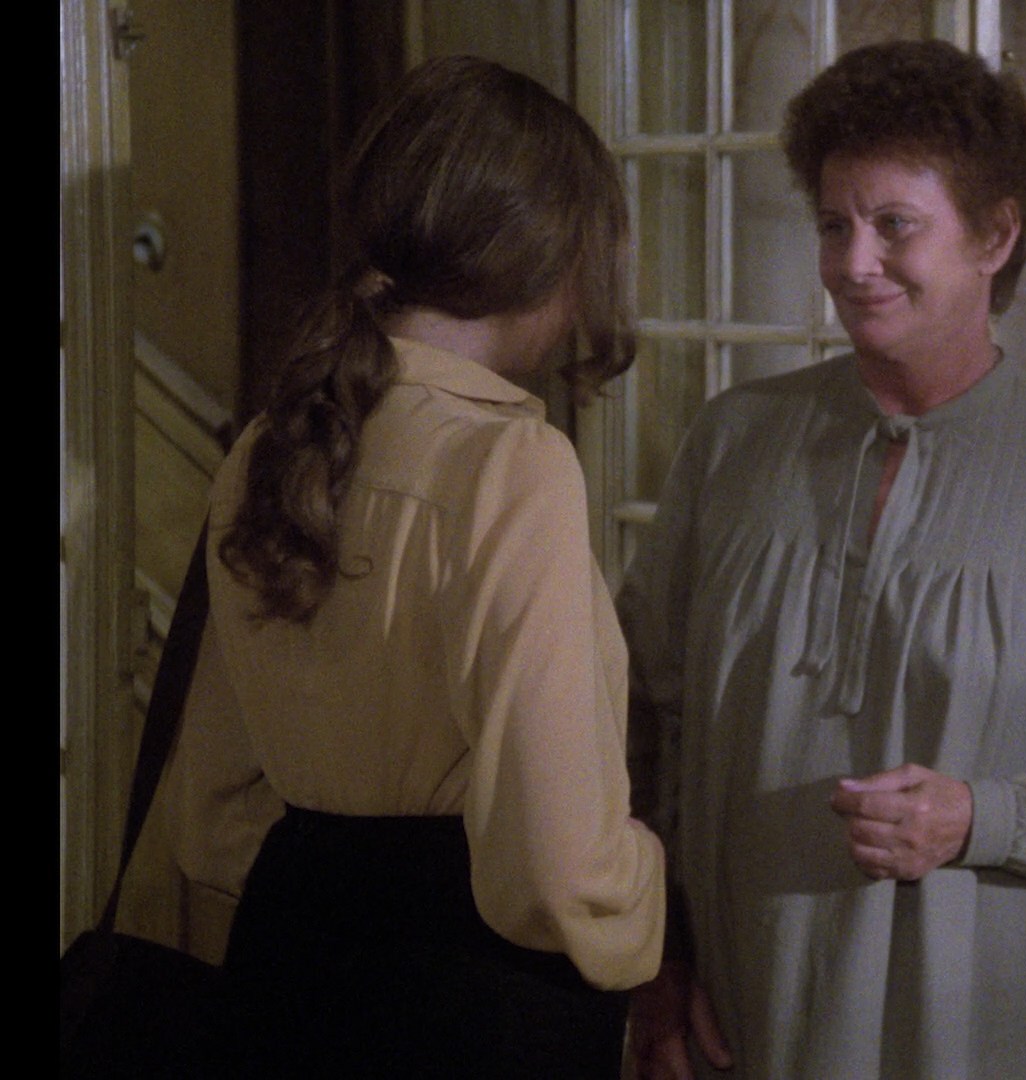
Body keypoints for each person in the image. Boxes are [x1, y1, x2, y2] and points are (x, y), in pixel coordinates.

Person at [618, 38, 1026, 1080]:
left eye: (894, 225)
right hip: (739, 1028)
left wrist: (981, 819)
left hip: (983, 1040)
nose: (853, 264)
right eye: (833, 225)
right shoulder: (731, 443)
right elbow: (637, 722)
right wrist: (654, 960)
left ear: (996, 235)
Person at [169, 55, 667, 1079]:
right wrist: (648, 893)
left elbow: (211, 813)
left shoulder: (269, 445)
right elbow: (560, 871)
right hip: (466, 984)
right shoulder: (510, 464)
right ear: (544, 254)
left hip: (288, 953)